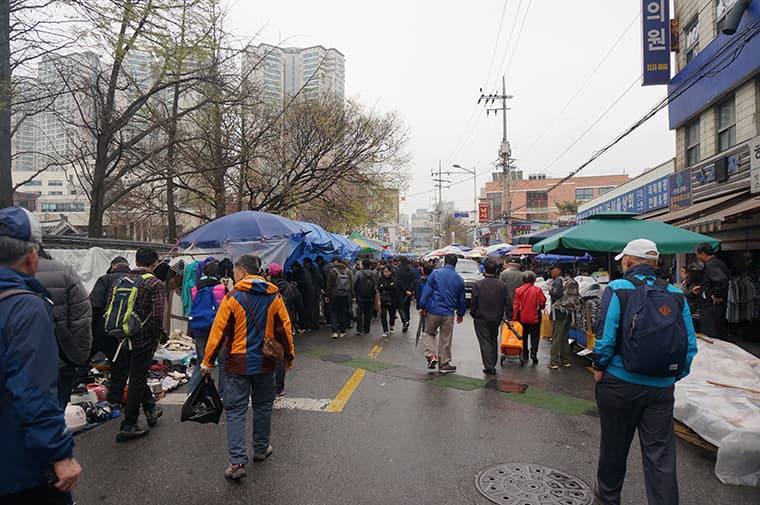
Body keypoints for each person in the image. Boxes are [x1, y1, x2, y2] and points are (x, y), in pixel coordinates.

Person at [592, 239, 698, 505]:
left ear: (628, 261)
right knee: (660, 455)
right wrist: (671, 377)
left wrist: (599, 366)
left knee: (614, 447)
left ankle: (608, 499)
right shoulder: (676, 294)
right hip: (661, 388)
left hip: (619, 383)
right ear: (655, 264)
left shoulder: (618, 288)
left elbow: (605, 337)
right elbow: (689, 345)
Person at [0, 207, 81, 504]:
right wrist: (59, 453)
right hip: (18, 463)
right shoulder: (25, 306)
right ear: (32, 255)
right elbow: (32, 388)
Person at [201, 255, 294, 481]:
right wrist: (288, 356)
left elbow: (219, 332)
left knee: (236, 411)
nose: (233, 274)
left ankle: (237, 463)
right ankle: (261, 448)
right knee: (263, 406)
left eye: (234, 270)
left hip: (237, 363)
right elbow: (284, 328)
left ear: (242, 271)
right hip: (265, 363)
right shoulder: (273, 296)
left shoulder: (233, 297)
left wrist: (207, 361)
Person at [106, 247, 166, 443]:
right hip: (142, 339)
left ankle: (150, 409)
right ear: (154, 263)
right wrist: (156, 337)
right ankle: (129, 423)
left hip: (122, 336)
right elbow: (157, 316)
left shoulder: (121, 280)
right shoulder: (155, 284)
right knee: (138, 378)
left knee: (136, 374)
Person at [36, 247, 92, 407]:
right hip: (61, 358)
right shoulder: (65, 272)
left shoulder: (9, 273)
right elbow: (81, 319)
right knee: (56, 411)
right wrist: (78, 356)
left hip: (19, 361)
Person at [418, 254, 466, 373]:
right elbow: (462, 299)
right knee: (446, 338)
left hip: (433, 310)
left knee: (429, 333)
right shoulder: (459, 279)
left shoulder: (435, 274)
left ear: (444, 262)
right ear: (455, 264)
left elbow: (427, 291)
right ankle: (444, 364)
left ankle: (431, 356)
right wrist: (460, 313)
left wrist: (422, 306)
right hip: (448, 312)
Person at [187, 261, 226, 395]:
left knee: (201, 362)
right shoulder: (221, 288)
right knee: (222, 362)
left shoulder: (194, 288)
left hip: (200, 328)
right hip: (217, 329)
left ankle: (192, 392)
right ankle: (221, 394)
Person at [471, 258, 513, 374]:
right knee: (493, 339)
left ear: (484, 270)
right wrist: (509, 317)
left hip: (481, 317)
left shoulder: (478, 285)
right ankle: (492, 363)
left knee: (485, 341)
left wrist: (474, 313)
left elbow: (473, 303)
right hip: (496, 317)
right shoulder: (502, 286)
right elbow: (508, 302)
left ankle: (489, 365)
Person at [267, 262, 301, 397]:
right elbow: (298, 301)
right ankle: (279, 388)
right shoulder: (289, 286)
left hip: (268, 325)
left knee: (268, 353)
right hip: (286, 319)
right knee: (280, 355)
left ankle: (268, 386)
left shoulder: (267, 290)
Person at [90, 256, 130, 360]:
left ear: (113, 266)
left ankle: (81, 376)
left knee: (87, 358)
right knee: (120, 363)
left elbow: (94, 305)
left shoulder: (105, 279)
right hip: (125, 331)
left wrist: (91, 327)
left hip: (103, 328)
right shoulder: (133, 281)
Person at [694, 242, 729, 340]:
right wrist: (703, 288)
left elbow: (721, 280)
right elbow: (714, 281)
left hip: (711, 307)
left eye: (697, 254)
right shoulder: (717, 263)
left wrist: (716, 295)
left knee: (711, 335)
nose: (697, 257)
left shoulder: (712, 265)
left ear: (703, 254)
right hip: (713, 307)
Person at [513, 270, 546, 366]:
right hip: (535, 316)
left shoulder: (519, 290)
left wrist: (514, 318)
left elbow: (515, 305)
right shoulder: (538, 290)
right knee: (535, 336)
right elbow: (543, 302)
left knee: (523, 335)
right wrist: (541, 306)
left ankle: (525, 352)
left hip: (522, 316)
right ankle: (534, 353)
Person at [549, 274, 580, 369]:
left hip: (560, 312)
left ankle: (554, 362)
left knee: (556, 337)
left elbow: (557, 294)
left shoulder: (558, 281)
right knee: (565, 337)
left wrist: (550, 291)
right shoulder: (573, 282)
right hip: (570, 312)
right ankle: (565, 360)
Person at [326, 258, 354, 338]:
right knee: (343, 312)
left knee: (333, 312)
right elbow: (351, 285)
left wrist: (327, 295)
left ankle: (334, 331)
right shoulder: (348, 271)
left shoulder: (332, 272)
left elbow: (329, 285)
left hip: (334, 295)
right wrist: (353, 295)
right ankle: (342, 331)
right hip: (345, 295)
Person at [393, 256, 416, 332]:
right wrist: (409, 290)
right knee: (407, 307)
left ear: (400, 262)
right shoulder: (411, 270)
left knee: (400, 307)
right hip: (409, 293)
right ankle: (407, 321)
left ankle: (405, 321)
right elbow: (413, 281)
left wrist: (404, 290)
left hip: (399, 292)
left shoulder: (397, 270)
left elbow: (398, 281)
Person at [354, 259, 376, 335]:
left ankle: (359, 329)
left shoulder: (358, 273)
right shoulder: (373, 273)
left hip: (360, 297)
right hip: (371, 297)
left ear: (362, 265)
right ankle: (367, 329)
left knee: (359, 313)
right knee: (368, 313)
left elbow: (354, 284)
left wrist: (354, 295)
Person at [377, 265, 399, 337]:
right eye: (384, 272)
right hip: (383, 299)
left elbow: (395, 288)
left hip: (392, 299)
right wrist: (388, 286)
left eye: (387, 272)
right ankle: (385, 330)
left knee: (392, 314)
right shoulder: (380, 279)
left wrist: (384, 286)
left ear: (390, 272)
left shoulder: (394, 279)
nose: (386, 273)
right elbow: (378, 287)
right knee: (383, 315)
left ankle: (391, 326)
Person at [303, 257, 323, 331]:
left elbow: (319, 279)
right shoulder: (313, 269)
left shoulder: (313, 269)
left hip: (314, 291)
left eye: (305, 263)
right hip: (315, 290)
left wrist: (321, 287)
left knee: (313, 308)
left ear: (308, 263)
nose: (304, 264)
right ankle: (315, 324)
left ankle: (314, 324)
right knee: (315, 308)